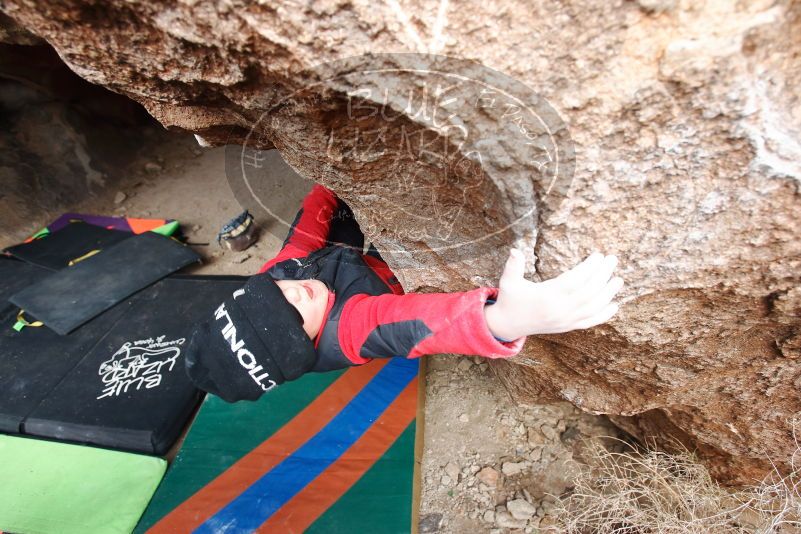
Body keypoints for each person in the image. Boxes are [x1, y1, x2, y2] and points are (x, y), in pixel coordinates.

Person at [184, 185, 623, 402]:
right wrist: (502, 321)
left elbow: (303, 237)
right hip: (385, 280)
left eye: (268, 294)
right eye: (292, 318)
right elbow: (411, 327)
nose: (294, 293)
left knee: (333, 227)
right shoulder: (348, 331)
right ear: (305, 346)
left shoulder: (279, 281)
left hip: (346, 256)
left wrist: (329, 179)